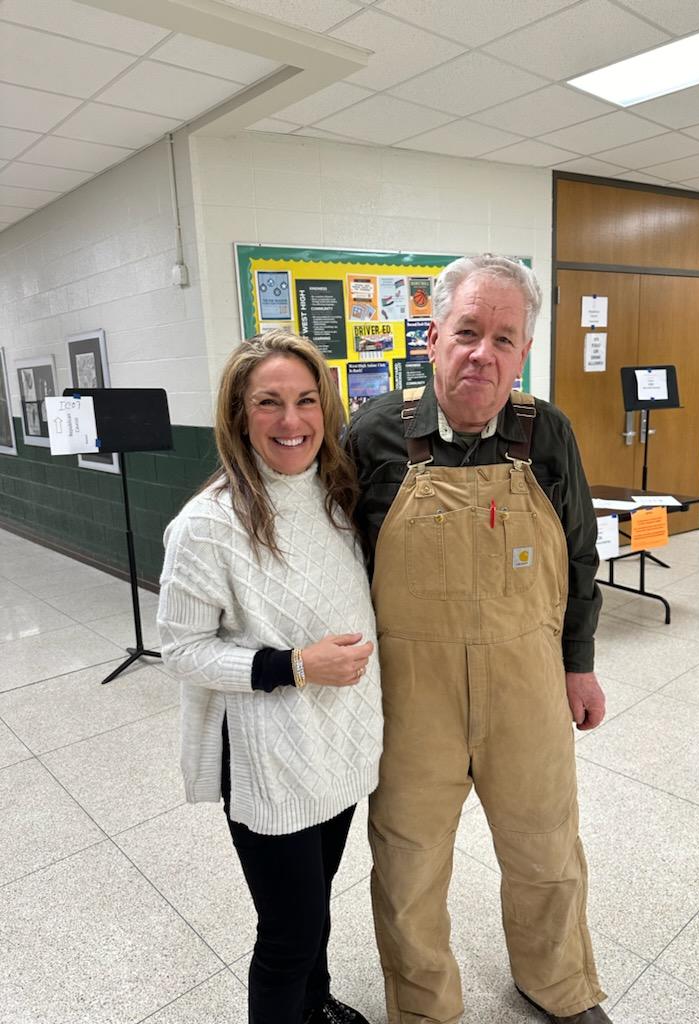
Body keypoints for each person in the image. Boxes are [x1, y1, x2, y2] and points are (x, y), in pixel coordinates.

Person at [347, 255, 611, 1024]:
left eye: (504, 338)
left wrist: (580, 666)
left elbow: (582, 556)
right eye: (467, 331)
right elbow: (332, 560)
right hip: (410, 693)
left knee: (546, 850)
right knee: (407, 863)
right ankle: (425, 1008)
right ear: (433, 337)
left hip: (527, 683)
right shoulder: (373, 435)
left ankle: (556, 983)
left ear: (523, 350)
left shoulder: (547, 433)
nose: (481, 354)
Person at [158, 330, 383, 1024]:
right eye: (269, 403)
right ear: (237, 416)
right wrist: (293, 666)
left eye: (306, 401)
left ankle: (313, 1008)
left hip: (337, 746)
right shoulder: (206, 526)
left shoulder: (337, 498)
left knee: (315, 911)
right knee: (287, 934)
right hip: (269, 762)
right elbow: (183, 650)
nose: (292, 421)